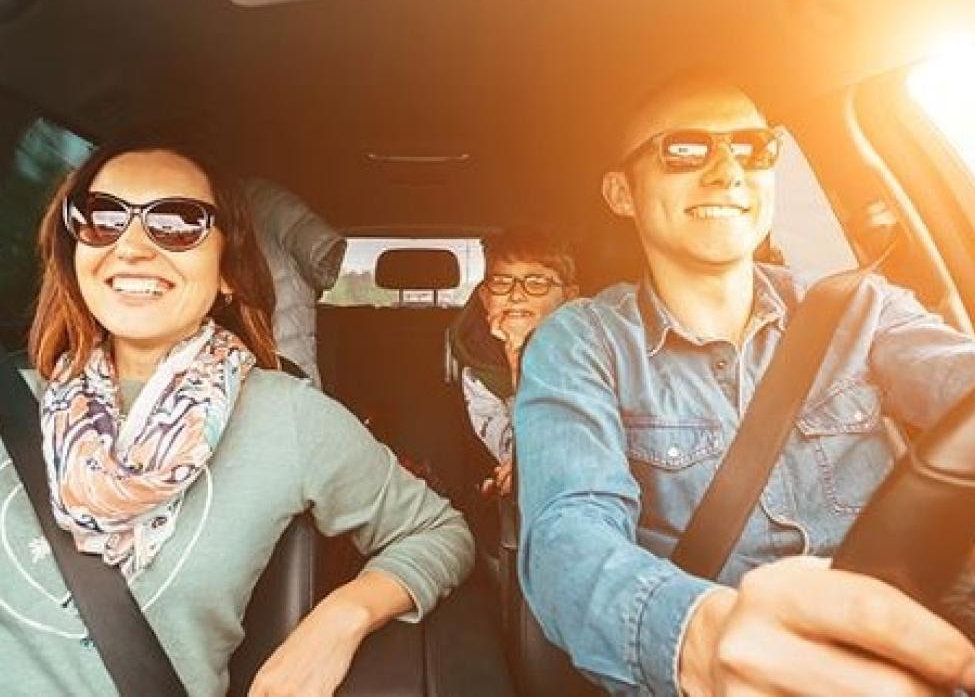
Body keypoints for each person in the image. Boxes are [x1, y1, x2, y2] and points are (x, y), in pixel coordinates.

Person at [514, 74, 975, 695]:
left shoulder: (860, 309)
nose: (728, 171)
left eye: (755, 148)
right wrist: (703, 639)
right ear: (622, 192)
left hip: (919, 648)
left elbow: (957, 375)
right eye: (685, 149)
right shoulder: (583, 342)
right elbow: (568, 536)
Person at [2, 139, 473, 695]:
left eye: (177, 223)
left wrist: (340, 618)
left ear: (228, 269)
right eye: (103, 218)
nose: (130, 248)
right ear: (73, 248)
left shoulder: (286, 415)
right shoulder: (14, 398)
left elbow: (440, 531)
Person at [450, 227, 578, 497]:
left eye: (537, 283)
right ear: (486, 299)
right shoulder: (479, 372)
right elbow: (513, 452)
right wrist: (516, 357)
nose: (517, 294)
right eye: (501, 282)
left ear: (568, 297)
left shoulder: (597, 353)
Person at [243, 177, 346, 388]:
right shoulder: (268, 202)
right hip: (285, 351)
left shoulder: (265, 202)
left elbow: (323, 260)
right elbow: (323, 267)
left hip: (281, 351)